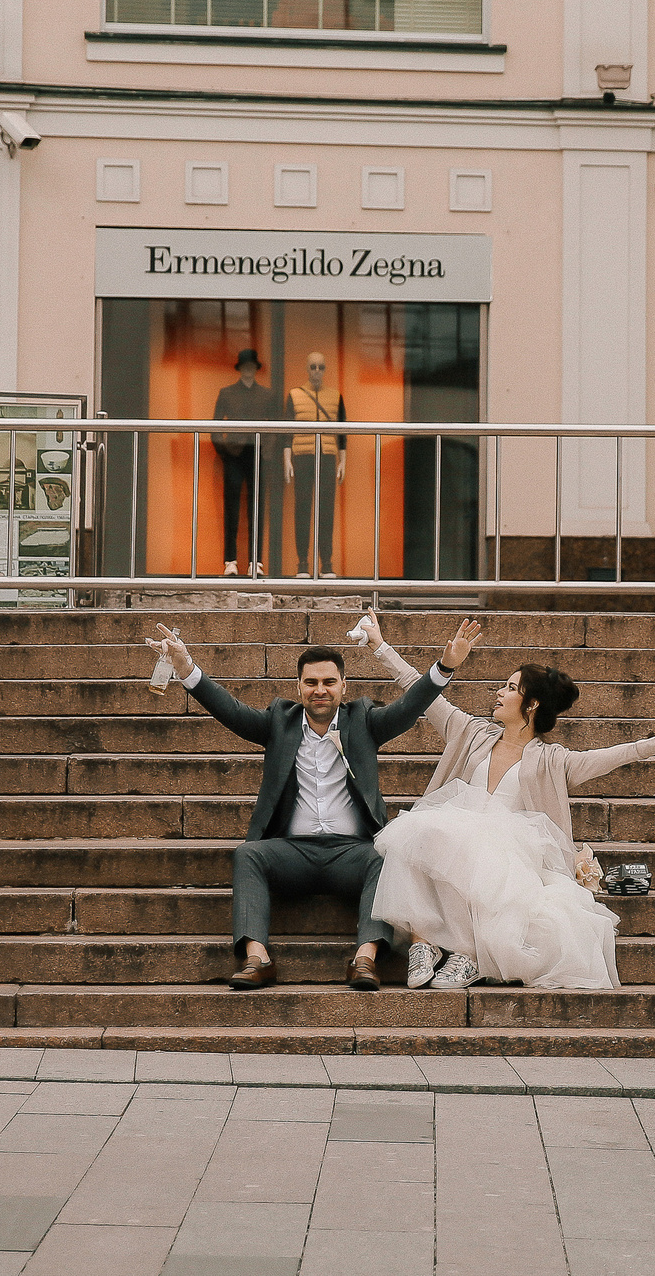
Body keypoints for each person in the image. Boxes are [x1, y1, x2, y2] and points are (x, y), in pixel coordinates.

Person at [363, 620, 655, 991]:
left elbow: (607, 757)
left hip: (511, 857)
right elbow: (422, 693)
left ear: (531, 704)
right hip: (454, 841)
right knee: (415, 829)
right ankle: (423, 944)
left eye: (511, 688)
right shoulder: (470, 732)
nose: (499, 692)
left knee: (478, 854)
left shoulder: (554, 761)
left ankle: (472, 954)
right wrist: (380, 646)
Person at [147, 618, 484, 991]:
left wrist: (446, 667)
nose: (319, 690)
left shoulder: (364, 721)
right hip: (292, 852)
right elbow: (230, 710)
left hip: (351, 854)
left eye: (328, 682)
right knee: (248, 854)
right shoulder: (280, 721)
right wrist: (185, 667)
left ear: (344, 686)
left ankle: (365, 960)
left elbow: (409, 706)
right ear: (299, 687)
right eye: (311, 683)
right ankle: (257, 959)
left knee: (385, 856)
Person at [210, 348, 285, 576]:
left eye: (252, 366)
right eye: (245, 366)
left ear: (255, 368)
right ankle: (230, 560)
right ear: (240, 368)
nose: (248, 370)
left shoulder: (267, 395)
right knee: (231, 507)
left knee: (257, 507)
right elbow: (214, 426)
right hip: (234, 454)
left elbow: (278, 426)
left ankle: (256, 561)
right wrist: (224, 451)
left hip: (258, 454)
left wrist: (269, 451)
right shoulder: (227, 393)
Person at [285, 351, 347, 577]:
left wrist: (343, 461)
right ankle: (302, 563)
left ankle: (326, 563)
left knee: (326, 511)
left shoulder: (335, 396)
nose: (317, 371)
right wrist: (287, 460)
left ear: (325, 369)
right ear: (307, 368)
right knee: (302, 510)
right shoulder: (294, 395)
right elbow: (286, 430)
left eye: (321, 367)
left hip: (327, 456)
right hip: (302, 455)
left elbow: (343, 431)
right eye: (313, 367)